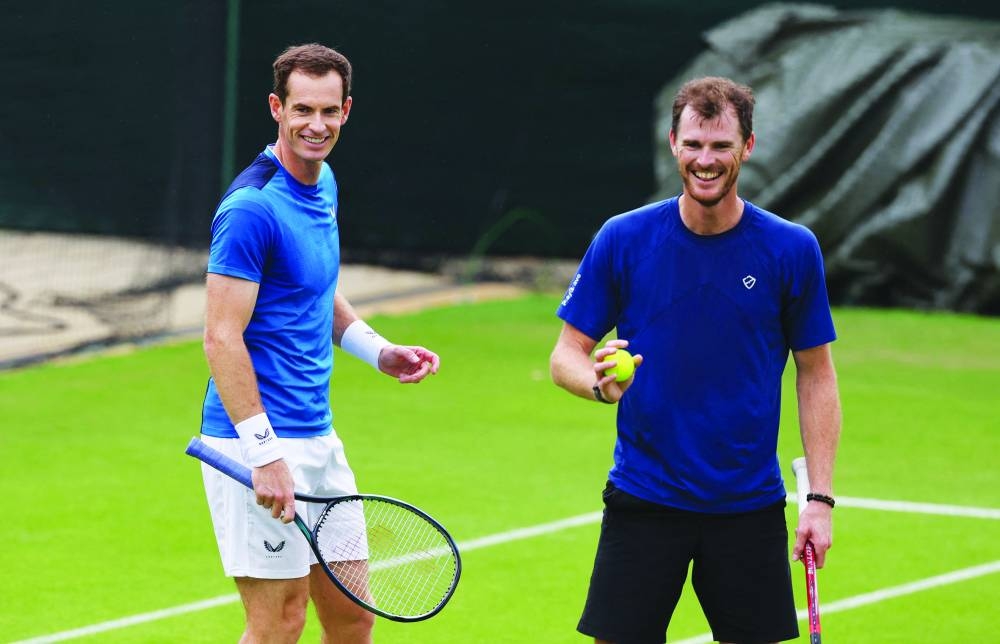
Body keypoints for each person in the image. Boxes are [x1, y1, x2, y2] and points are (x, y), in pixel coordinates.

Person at [550, 76, 841, 644]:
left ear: (747, 148)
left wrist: (820, 501)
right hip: (644, 498)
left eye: (721, 146)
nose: (705, 161)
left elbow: (816, 372)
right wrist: (597, 385)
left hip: (747, 506)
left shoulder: (791, 249)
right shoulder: (623, 238)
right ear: (673, 143)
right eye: (694, 145)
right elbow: (566, 353)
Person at [198, 43, 440, 643]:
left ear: (346, 110)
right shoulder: (252, 209)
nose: (316, 125)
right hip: (255, 441)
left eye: (328, 111)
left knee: (353, 619)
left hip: (318, 436)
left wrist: (376, 350)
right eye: (302, 110)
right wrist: (263, 453)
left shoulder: (324, 181)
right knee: (280, 623)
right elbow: (221, 338)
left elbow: (315, 288)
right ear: (277, 107)